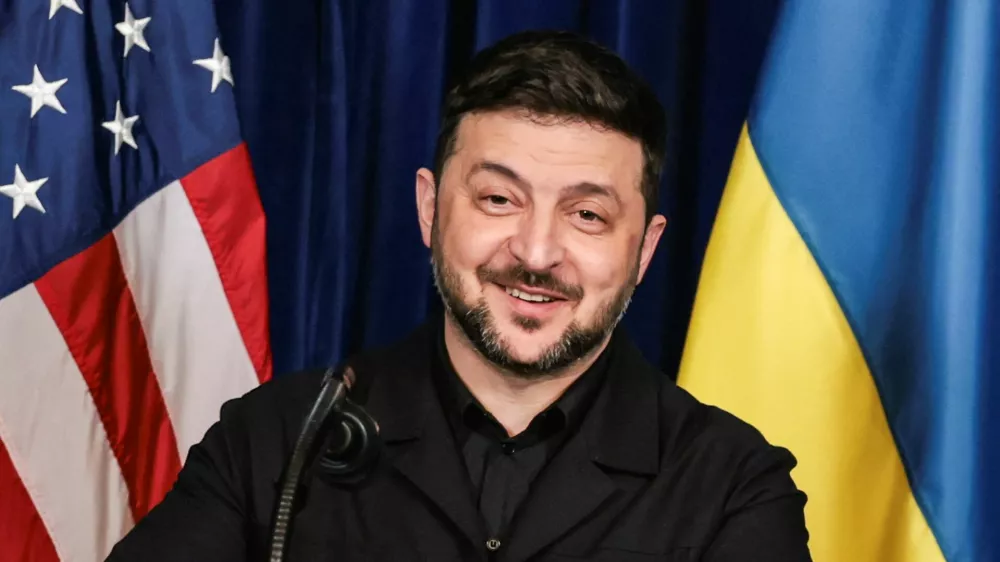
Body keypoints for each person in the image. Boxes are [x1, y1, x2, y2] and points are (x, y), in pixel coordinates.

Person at [105, 30, 811, 562]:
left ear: (645, 250)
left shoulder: (732, 486)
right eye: (499, 199)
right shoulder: (276, 441)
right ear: (430, 209)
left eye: (587, 214)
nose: (536, 253)